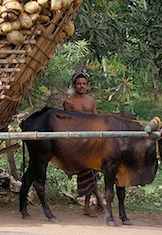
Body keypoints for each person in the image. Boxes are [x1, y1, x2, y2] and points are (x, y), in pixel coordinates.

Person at [63, 70, 104, 217]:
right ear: (74, 85)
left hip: (92, 139)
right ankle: (87, 207)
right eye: (79, 84)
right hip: (78, 141)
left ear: (87, 86)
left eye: (84, 84)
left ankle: (98, 201)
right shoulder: (69, 102)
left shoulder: (91, 100)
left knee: (94, 170)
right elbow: (66, 123)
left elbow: (96, 118)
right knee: (88, 171)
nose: (81, 86)